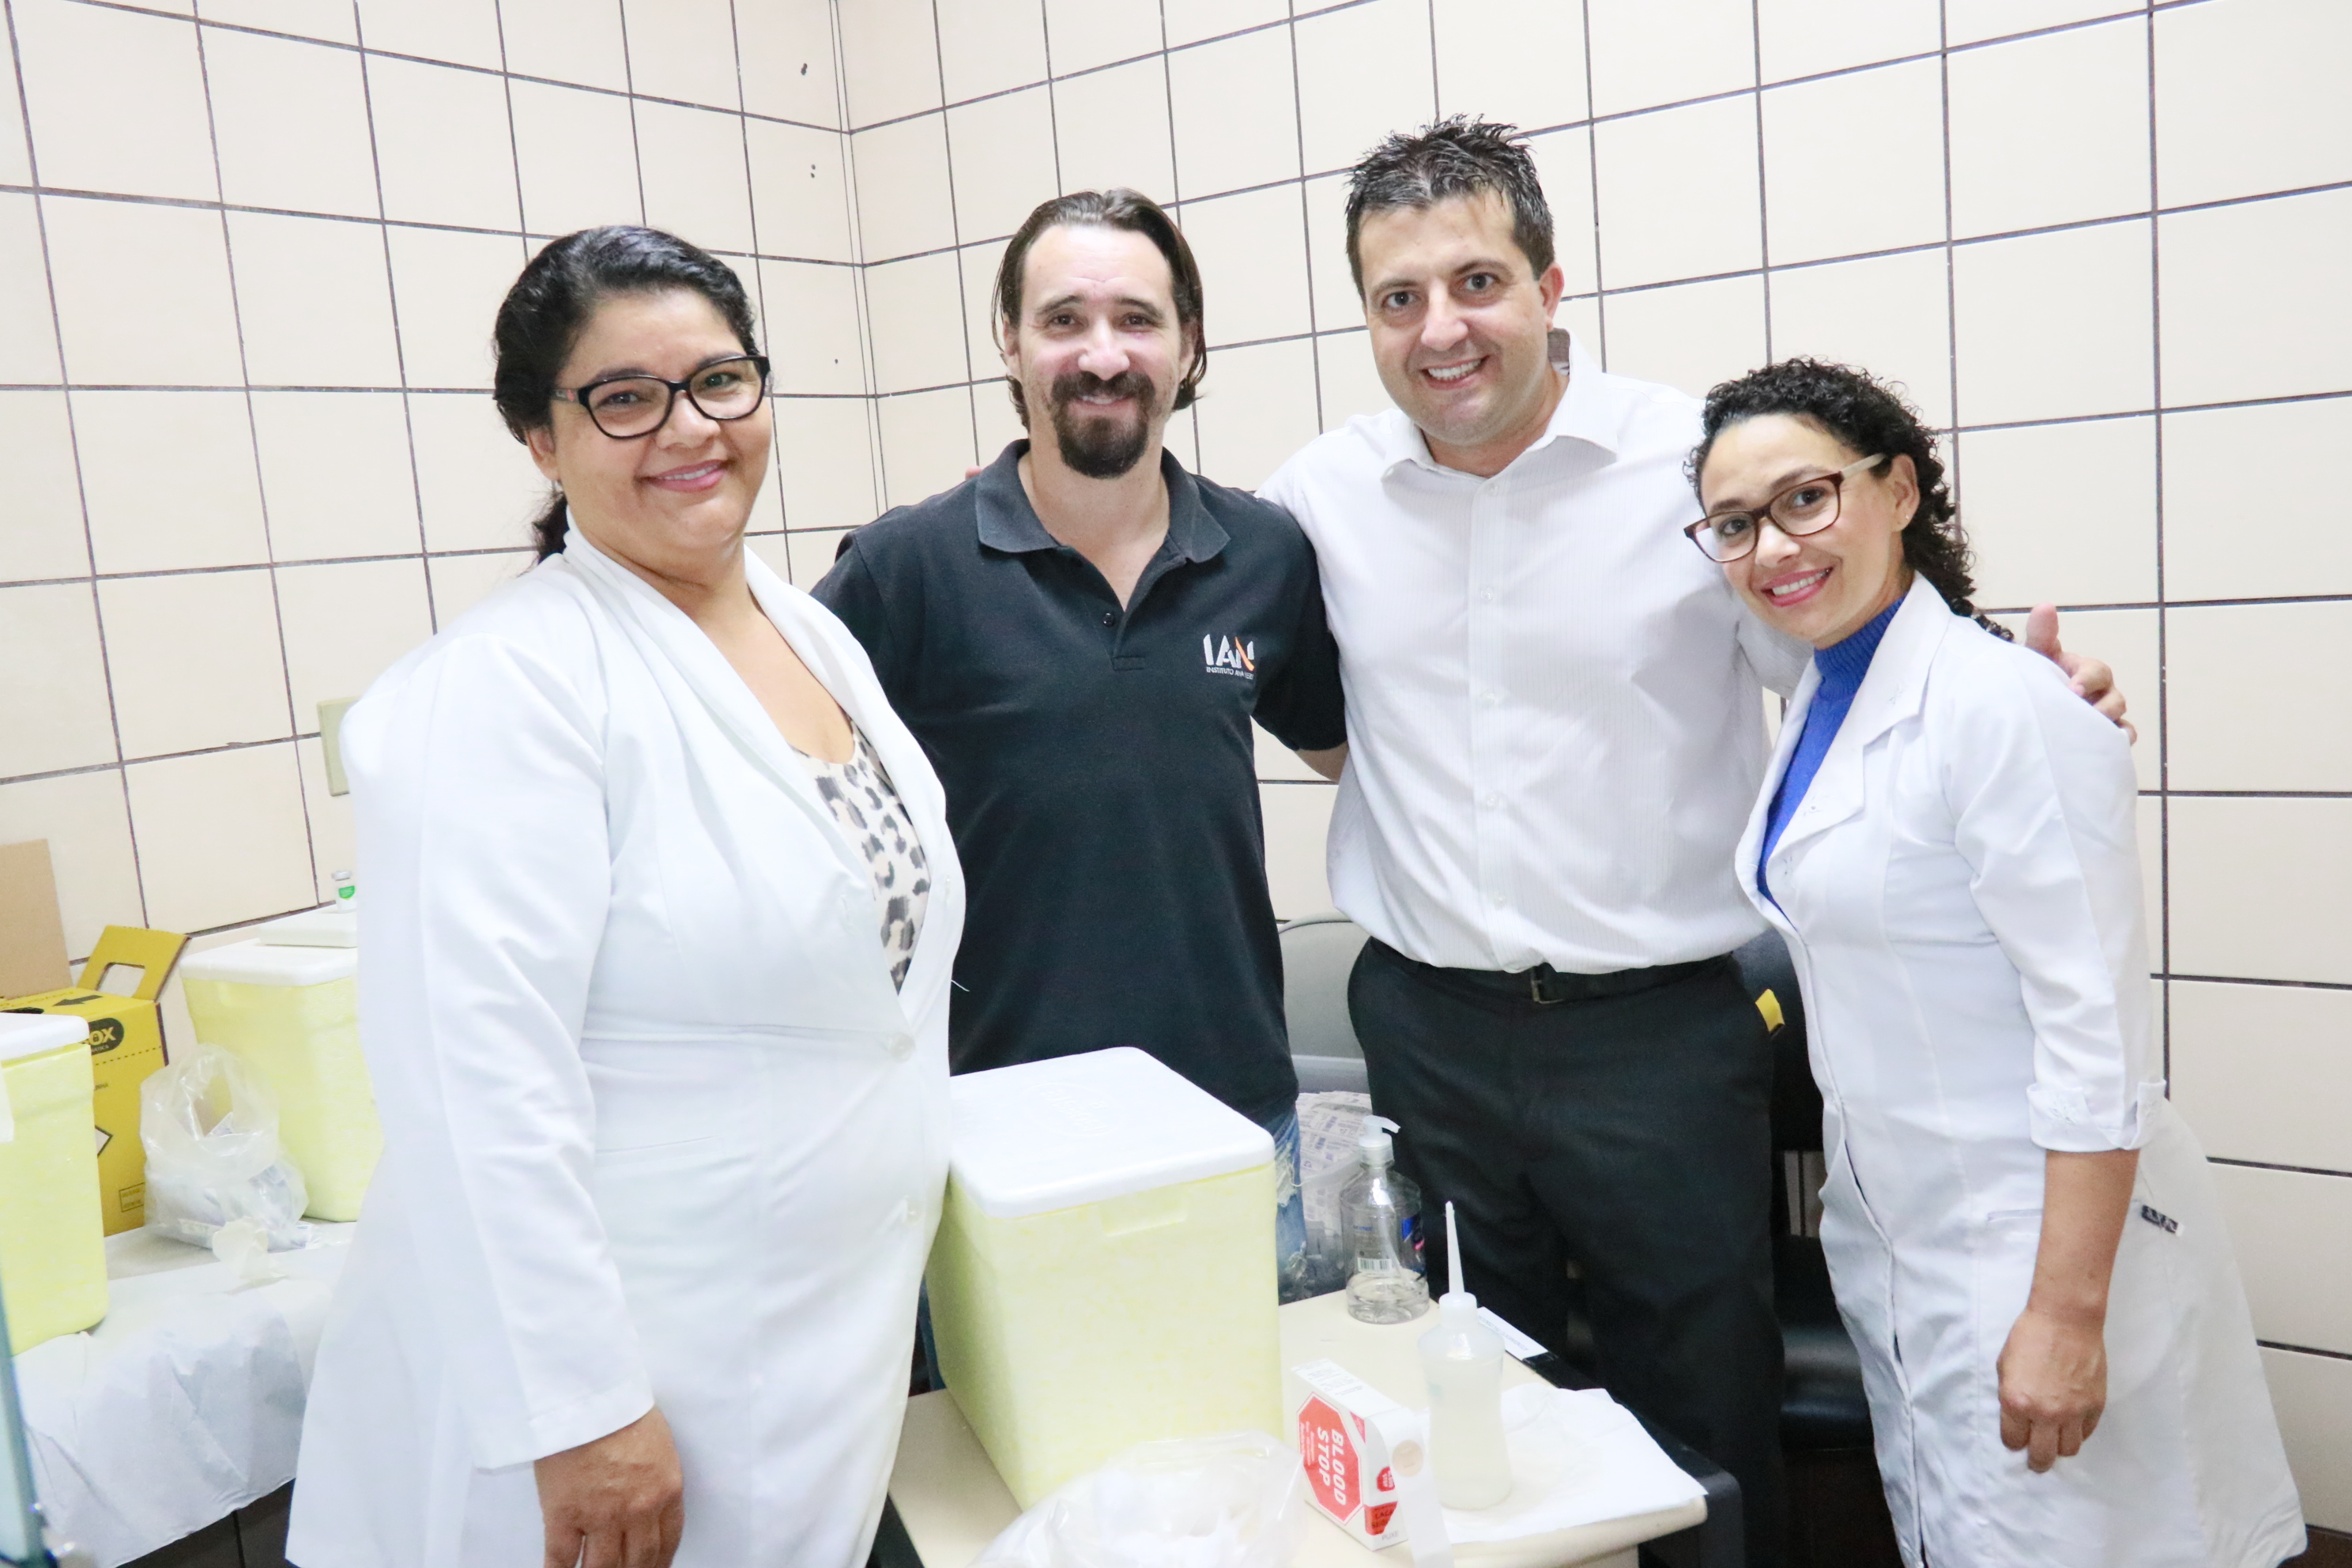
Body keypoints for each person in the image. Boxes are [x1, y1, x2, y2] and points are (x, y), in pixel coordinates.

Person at [1257, 119, 2126, 1564]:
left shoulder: (1683, 466)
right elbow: (1279, 683)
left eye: (1477, 282)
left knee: (1699, 1411)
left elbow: (1847, 641)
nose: (1442, 328)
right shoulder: (1319, 496)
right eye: (1399, 298)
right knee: (1475, 1404)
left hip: (1657, 1039)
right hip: (1429, 1029)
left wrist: (2016, 685)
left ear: (1549, 286)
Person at [288, 227, 962, 1568]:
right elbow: (475, 1082)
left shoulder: (808, 631)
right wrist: (581, 1411)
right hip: (610, 1389)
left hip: (803, 1349)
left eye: (720, 380)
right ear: (542, 439)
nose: (689, 428)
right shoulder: (503, 688)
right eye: (625, 398)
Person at [1692, 356, 2302, 1568]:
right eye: (1736, 523)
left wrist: (2067, 1313)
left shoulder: (2002, 706)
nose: (1773, 547)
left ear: (1898, 489)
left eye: (1806, 497)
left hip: (2040, 1242)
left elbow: (2096, 1038)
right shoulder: (1825, 695)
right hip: (1912, 1236)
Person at [812, 190, 1346, 1297]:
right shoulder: (907, 569)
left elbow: (1360, 757)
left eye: (1137, 320)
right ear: (1009, 342)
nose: (1103, 355)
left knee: (1252, 1398)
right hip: (997, 1130)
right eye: (1064, 320)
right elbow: (777, 790)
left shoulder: (1264, 554)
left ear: (1190, 344)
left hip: (1233, 1113)